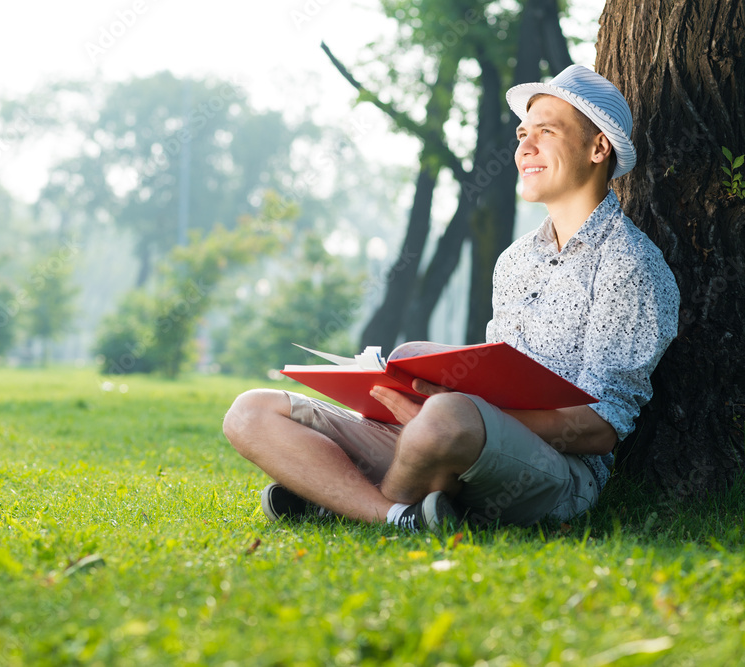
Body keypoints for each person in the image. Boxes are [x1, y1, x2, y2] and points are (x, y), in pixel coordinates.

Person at [222, 65, 680, 531]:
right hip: (452, 438)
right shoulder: (516, 261)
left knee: (445, 417)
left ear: (598, 147)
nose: (525, 146)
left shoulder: (630, 265)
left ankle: (337, 495)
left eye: (547, 131)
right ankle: (397, 514)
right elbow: (497, 373)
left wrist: (462, 411)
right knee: (252, 410)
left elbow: (602, 428)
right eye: (523, 133)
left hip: (556, 473)